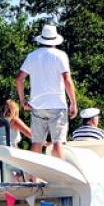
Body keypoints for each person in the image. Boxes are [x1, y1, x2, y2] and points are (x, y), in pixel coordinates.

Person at [16, 24, 77, 158]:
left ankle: (34, 178)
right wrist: (73, 103)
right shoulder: (60, 55)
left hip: (37, 105)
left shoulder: (32, 56)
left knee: (37, 142)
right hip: (57, 105)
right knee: (58, 142)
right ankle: (59, 177)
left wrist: (22, 101)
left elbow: (19, 79)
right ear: (55, 40)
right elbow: (67, 79)